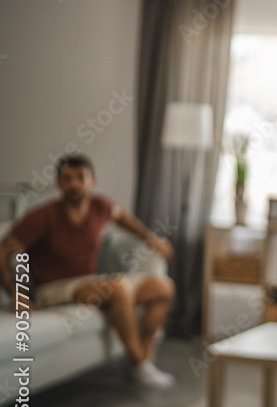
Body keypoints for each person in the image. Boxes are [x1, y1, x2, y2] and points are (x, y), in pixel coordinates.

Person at [0, 154, 177, 388]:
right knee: (117, 289)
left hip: (90, 282)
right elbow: (3, 251)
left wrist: (151, 238)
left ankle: (142, 358)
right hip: (52, 289)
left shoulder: (99, 206)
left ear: (92, 180)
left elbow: (122, 217)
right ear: (58, 184)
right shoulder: (44, 216)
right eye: (67, 178)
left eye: (80, 177)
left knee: (162, 287)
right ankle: (141, 366)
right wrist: (18, 295)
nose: (74, 184)